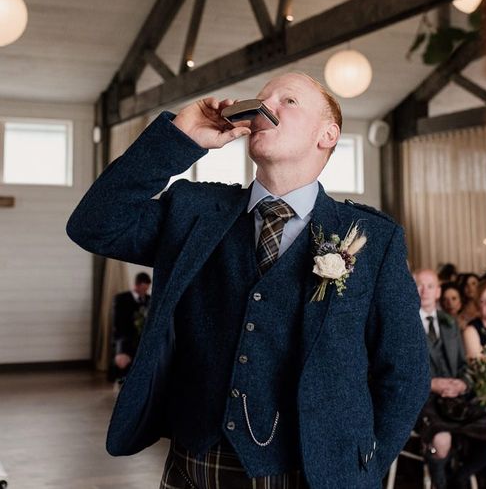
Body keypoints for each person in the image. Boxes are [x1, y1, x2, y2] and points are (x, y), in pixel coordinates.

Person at [67, 72, 430, 489]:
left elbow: (405, 372)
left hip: (312, 473)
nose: (264, 108)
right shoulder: (193, 210)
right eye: (260, 100)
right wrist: (179, 138)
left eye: (287, 101)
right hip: (196, 463)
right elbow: (93, 226)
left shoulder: (374, 239)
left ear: (327, 134)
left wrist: (361, 469)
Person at [413, 269, 471, 489]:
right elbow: (396, 373)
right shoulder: (404, 324)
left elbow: (464, 367)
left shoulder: (450, 323)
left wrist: (463, 383)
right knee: (442, 440)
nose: (424, 291)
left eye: (430, 286)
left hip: (457, 402)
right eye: (419, 285)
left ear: (438, 291)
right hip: (423, 402)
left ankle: (460, 479)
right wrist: (431, 384)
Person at [111, 271, 152, 382]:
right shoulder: (121, 298)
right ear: (136, 285)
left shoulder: (150, 299)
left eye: (147, 289)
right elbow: (117, 324)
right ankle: (123, 378)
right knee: (123, 356)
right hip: (125, 337)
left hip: (144, 337)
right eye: (143, 289)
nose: (145, 292)